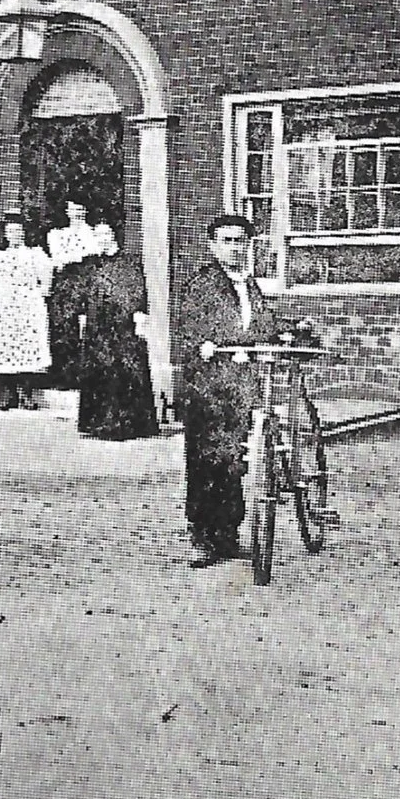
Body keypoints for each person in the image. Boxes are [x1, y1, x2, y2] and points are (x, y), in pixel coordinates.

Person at [173, 213, 293, 567]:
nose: (234, 247)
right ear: (213, 246)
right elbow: (192, 324)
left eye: (240, 241)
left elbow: (262, 322)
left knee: (237, 459)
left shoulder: (249, 284)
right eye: (226, 241)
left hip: (241, 384)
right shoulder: (202, 283)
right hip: (209, 385)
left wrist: (286, 329)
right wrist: (208, 343)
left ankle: (228, 535)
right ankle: (202, 536)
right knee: (207, 458)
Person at [76, 223, 158, 441]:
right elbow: (87, 293)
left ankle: (127, 424)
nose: (102, 239)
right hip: (98, 325)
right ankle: (98, 423)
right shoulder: (92, 264)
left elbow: (136, 291)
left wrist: (139, 313)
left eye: (105, 234)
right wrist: (84, 316)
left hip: (122, 325)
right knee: (99, 370)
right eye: (97, 235)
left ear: (114, 236)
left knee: (125, 371)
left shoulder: (129, 263)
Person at [0, 213, 52, 410]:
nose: (14, 235)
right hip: (6, 307)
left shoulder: (35, 254)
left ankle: (27, 395)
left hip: (28, 307)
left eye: (18, 231)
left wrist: (31, 296)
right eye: (10, 232)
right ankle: (6, 396)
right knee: (5, 348)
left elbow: (46, 283)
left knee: (27, 350)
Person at [46, 197, 108, 396]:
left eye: (80, 208)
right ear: (66, 211)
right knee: (64, 327)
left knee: (86, 327)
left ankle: (84, 375)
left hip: (86, 282)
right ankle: (65, 375)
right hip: (66, 285)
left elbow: (93, 256)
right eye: (72, 209)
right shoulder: (57, 234)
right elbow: (58, 259)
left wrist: (74, 258)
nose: (77, 213)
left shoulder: (92, 233)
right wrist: (74, 257)